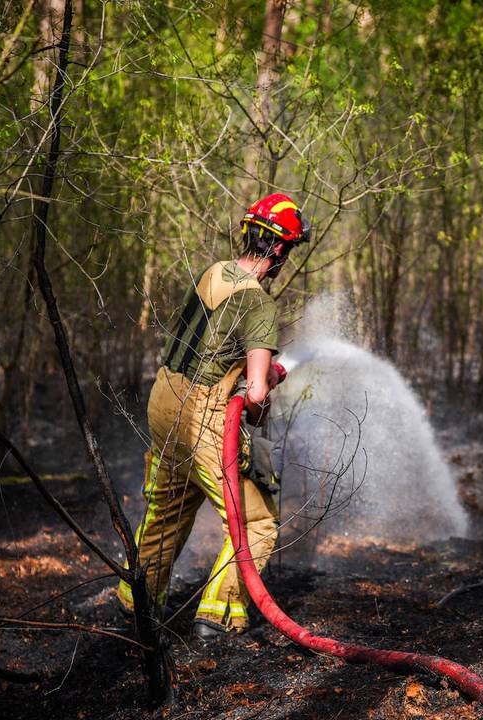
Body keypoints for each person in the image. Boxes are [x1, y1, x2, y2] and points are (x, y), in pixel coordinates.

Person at [116, 193, 307, 639]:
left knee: (169, 507)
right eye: (288, 251)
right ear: (279, 250)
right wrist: (265, 384)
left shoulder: (212, 272)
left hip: (164, 401)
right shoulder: (259, 303)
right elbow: (256, 393)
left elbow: (209, 344)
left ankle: (135, 603)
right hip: (203, 416)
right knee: (256, 521)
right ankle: (217, 617)